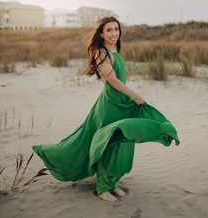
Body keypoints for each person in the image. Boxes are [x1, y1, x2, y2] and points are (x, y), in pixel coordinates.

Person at [32, 16, 180, 202]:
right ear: (101, 34)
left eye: (116, 29)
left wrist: (130, 97)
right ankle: (102, 188)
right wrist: (136, 94)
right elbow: (113, 81)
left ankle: (111, 183)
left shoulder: (115, 49)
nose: (114, 33)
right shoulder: (101, 52)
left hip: (122, 102)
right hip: (110, 105)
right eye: (109, 30)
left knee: (119, 143)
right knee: (107, 144)